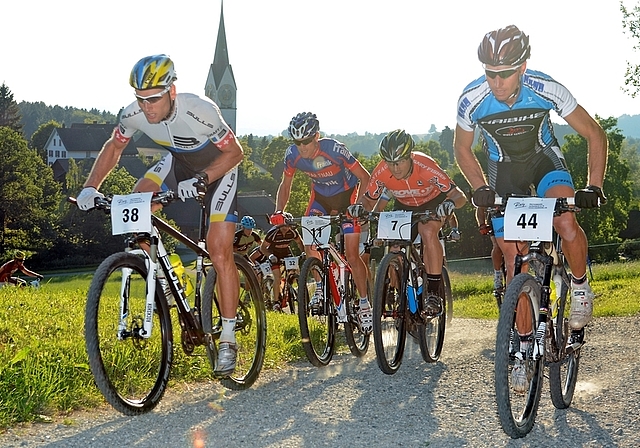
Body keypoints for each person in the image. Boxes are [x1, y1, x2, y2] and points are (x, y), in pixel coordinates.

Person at [454, 25, 608, 392]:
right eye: (490, 73)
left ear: (523, 67)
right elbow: (461, 148)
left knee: (565, 217)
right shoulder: (471, 98)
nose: (496, 81)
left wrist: (594, 186)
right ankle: (524, 350)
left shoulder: (545, 87)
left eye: (505, 73)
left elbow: (594, 133)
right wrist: (480, 188)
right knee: (513, 261)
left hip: (543, 162)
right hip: (503, 170)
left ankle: (581, 286)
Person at [75, 54, 244, 377]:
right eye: (140, 99)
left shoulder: (200, 110)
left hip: (219, 170)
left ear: (172, 91)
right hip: (178, 163)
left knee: (219, 250)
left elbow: (235, 152)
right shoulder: (133, 114)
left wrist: (203, 180)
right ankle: (168, 283)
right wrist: (90, 187)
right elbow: (114, 146)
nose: (147, 106)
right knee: (136, 201)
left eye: (153, 98)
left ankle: (228, 338)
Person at [274, 112, 374, 333]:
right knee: (311, 245)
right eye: (297, 142)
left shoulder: (334, 149)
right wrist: (279, 211)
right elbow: (286, 184)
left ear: (316, 136)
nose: (302, 147)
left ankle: (365, 303)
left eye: (307, 141)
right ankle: (320, 286)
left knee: (351, 253)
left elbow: (365, 177)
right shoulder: (292, 155)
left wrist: (358, 205)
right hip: (320, 200)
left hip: (347, 197)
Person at [350, 129, 467, 316]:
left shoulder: (425, 165)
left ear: (410, 157)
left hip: (432, 204)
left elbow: (459, 196)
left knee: (427, 231)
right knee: (394, 246)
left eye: (400, 162)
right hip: (404, 205)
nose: (395, 168)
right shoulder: (381, 171)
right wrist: (358, 207)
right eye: (390, 163)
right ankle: (400, 288)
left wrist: (449, 204)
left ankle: (434, 293)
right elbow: (369, 199)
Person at [254, 211, 305, 310]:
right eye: (282, 226)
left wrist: (303, 252)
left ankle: (288, 288)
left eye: (287, 225)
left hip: (286, 252)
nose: (285, 228)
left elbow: (300, 242)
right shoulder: (273, 233)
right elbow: (263, 248)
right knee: (277, 276)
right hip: (274, 253)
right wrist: (270, 255)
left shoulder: (293, 232)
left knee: (295, 271)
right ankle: (276, 302)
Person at [476, 207, 505, 292]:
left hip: (514, 214)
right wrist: (482, 224)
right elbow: (480, 206)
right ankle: (497, 275)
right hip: (496, 215)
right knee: (498, 246)